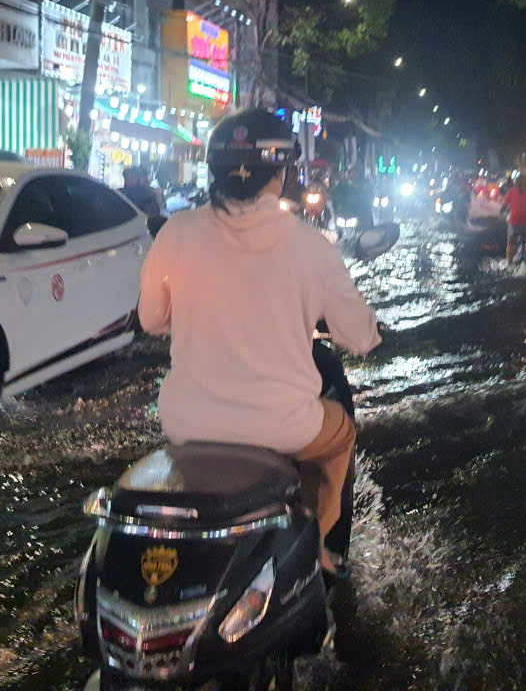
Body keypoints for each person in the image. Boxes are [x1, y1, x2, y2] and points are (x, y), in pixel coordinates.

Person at [138, 109, 381, 572]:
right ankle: (324, 556)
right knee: (340, 434)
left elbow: (152, 319)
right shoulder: (310, 246)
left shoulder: (176, 232)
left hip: (188, 425)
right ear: (282, 174)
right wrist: (371, 330)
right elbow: (358, 337)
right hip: (283, 429)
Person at [501, 176, 526, 264]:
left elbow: (503, 206)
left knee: (510, 243)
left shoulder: (511, 191)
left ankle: (509, 264)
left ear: (516, 183)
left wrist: (501, 213)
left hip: (514, 222)